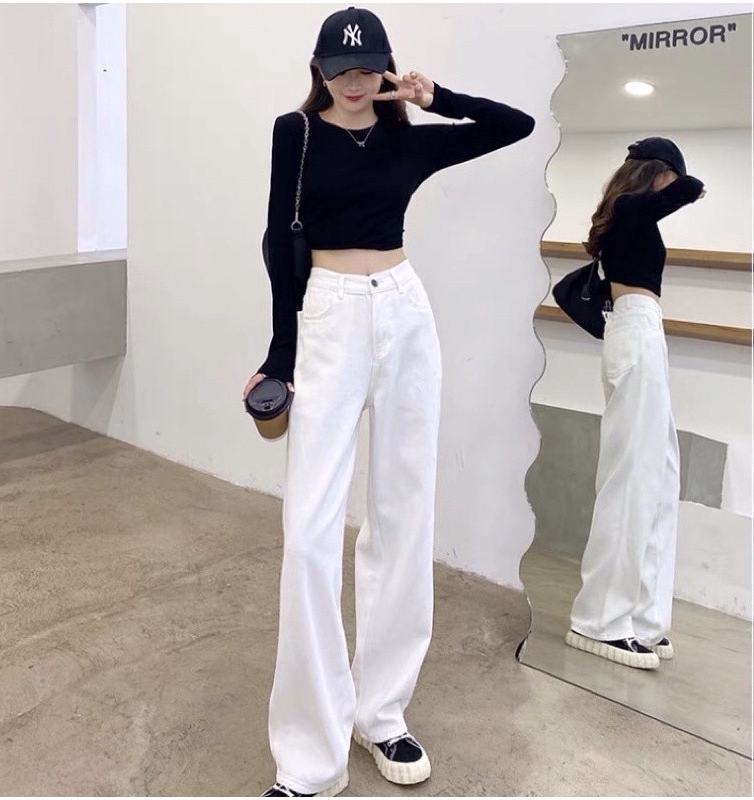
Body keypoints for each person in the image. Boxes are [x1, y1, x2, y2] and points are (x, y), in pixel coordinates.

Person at [242, 7, 534, 795]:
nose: (354, 80)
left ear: (386, 67)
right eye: (340, 69)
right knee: (310, 534)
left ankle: (382, 714)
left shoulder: (408, 138)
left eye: (367, 67)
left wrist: (437, 97)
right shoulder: (297, 134)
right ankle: (310, 756)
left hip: (404, 311)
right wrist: (280, 355)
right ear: (318, 70)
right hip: (328, 316)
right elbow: (277, 242)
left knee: (403, 516)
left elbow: (514, 124)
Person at [566, 137, 705, 671]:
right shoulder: (628, 209)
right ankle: (599, 620)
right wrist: (683, 182)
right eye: (671, 174)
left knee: (659, 476)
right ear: (658, 173)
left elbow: (679, 192)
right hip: (635, 332)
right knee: (632, 478)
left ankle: (643, 618)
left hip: (644, 333)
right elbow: (688, 190)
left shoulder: (629, 216)